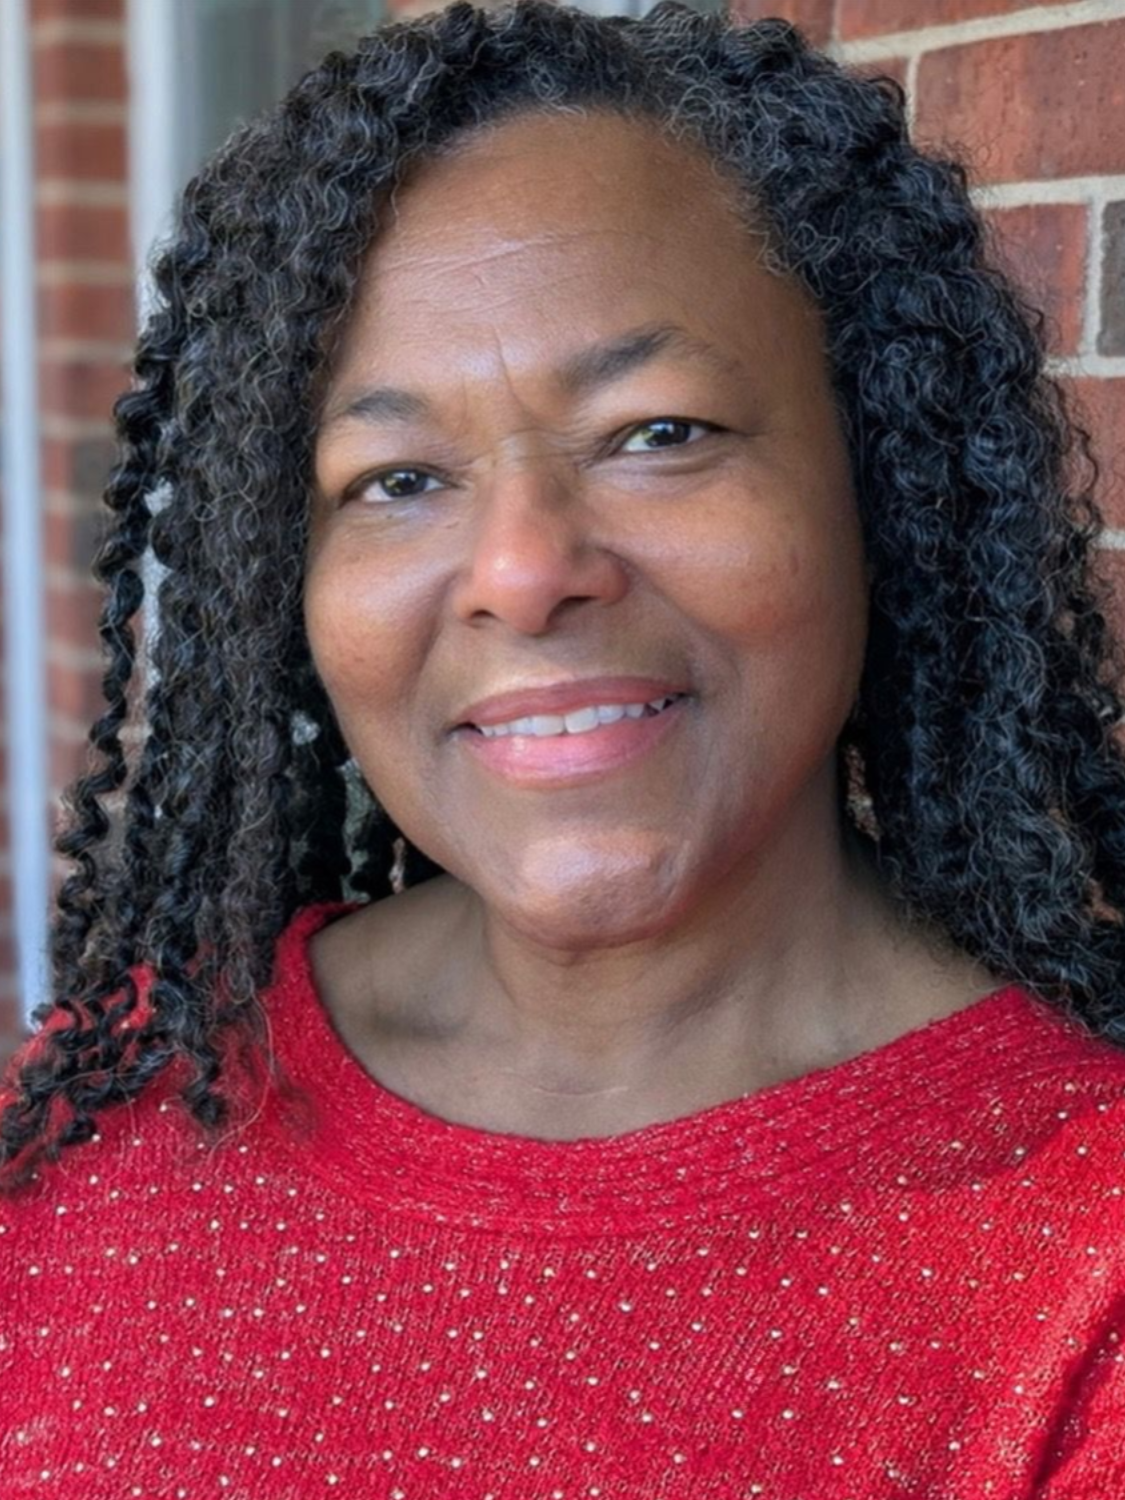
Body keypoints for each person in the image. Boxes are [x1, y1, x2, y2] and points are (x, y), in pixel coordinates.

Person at [2, 0, 1124, 1493]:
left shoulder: (1081, 1262)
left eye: (659, 432)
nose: (523, 570)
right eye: (396, 477)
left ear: (881, 487)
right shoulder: (128, 1097)